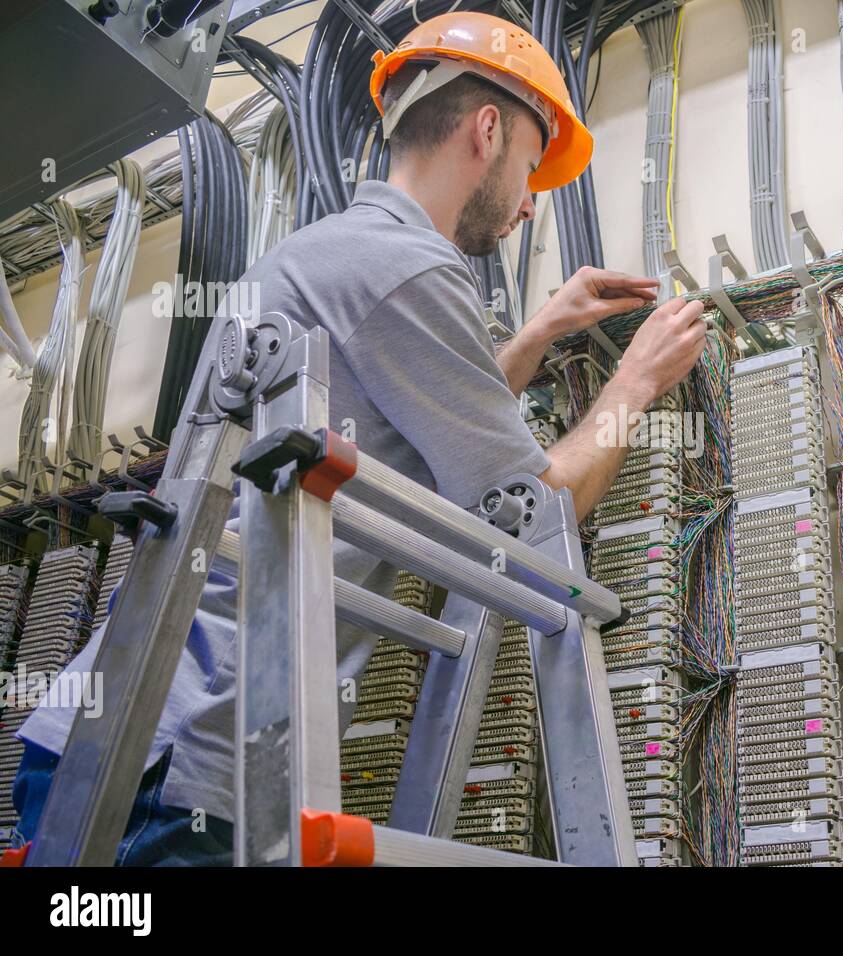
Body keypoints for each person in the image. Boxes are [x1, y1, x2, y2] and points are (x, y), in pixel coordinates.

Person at [8, 11, 705, 865]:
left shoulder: (338, 254)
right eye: (531, 165)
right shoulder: (408, 268)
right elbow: (534, 517)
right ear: (487, 129)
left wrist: (536, 335)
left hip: (116, 736)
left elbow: (402, 409)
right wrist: (635, 385)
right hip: (185, 758)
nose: (531, 201)